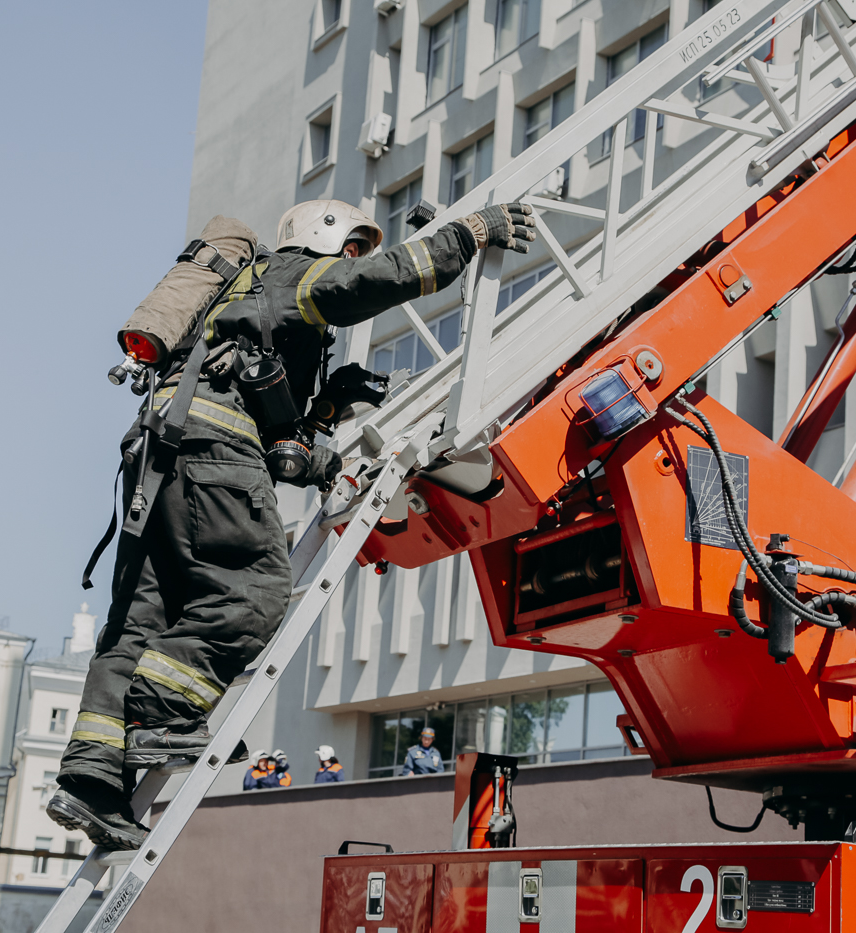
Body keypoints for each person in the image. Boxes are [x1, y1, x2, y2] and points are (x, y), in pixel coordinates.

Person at [47, 199, 535, 849]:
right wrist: (470, 233)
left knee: (143, 614)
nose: (353, 257)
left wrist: (328, 409)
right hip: (215, 447)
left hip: (158, 451)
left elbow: (286, 451)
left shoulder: (245, 310)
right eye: (350, 245)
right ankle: (164, 715)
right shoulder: (295, 274)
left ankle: (93, 776)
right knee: (255, 587)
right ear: (322, 237)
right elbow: (373, 281)